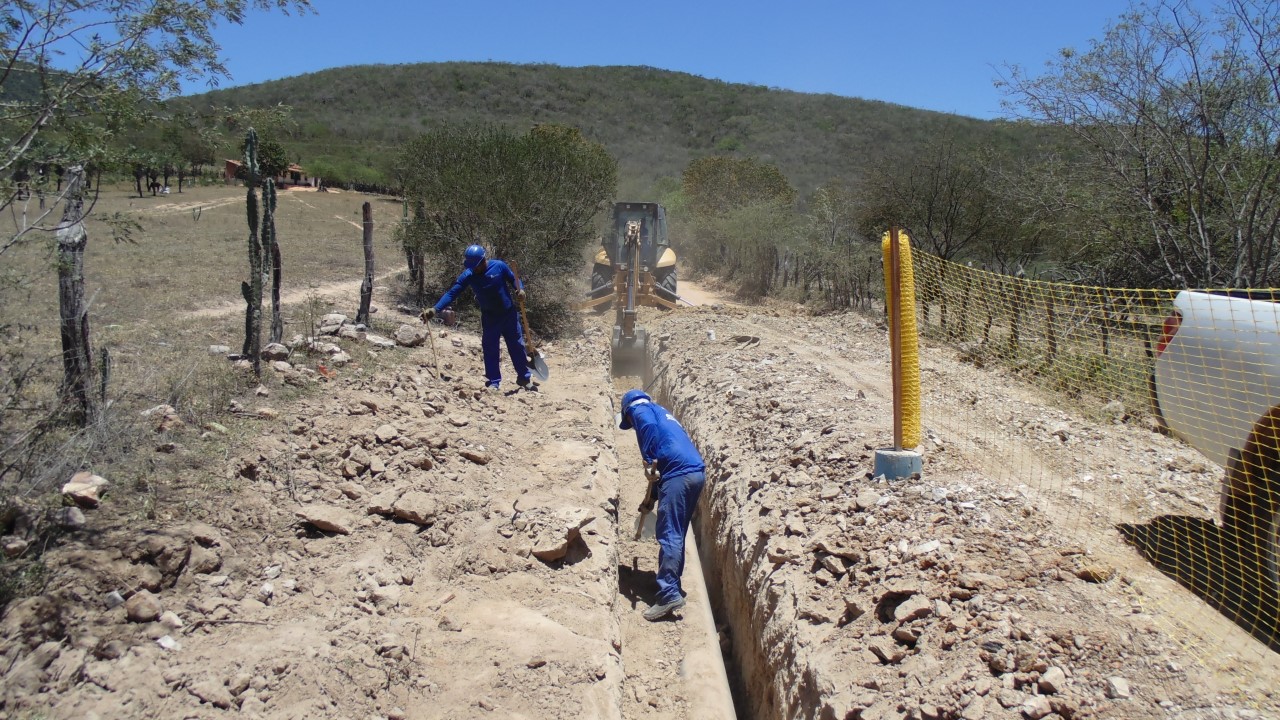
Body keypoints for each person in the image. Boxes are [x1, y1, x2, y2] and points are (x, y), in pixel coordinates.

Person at [618, 389, 707, 621]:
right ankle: (671, 584)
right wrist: (651, 500)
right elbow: (666, 461)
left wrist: (648, 459)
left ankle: (669, 594)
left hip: (678, 475)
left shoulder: (640, 410)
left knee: (670, 534)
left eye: (629, 423)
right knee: (677, 532)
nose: (632, 426)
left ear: (627, 413)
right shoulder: (661, 412)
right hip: (693, 473)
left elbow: (648, 430)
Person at [421, 244, 533, 391]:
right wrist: (435, 309)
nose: (474, 269)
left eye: (476, 266)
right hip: (490, 318)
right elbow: (452, 293)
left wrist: (520, 290)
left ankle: (524, 378)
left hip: (508, 315)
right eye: (471, 266)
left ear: (483, 260)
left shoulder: (499, 266)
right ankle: (493, 382)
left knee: (517, 346)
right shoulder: (469, 275)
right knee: (490, 348)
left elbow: (514, 279)